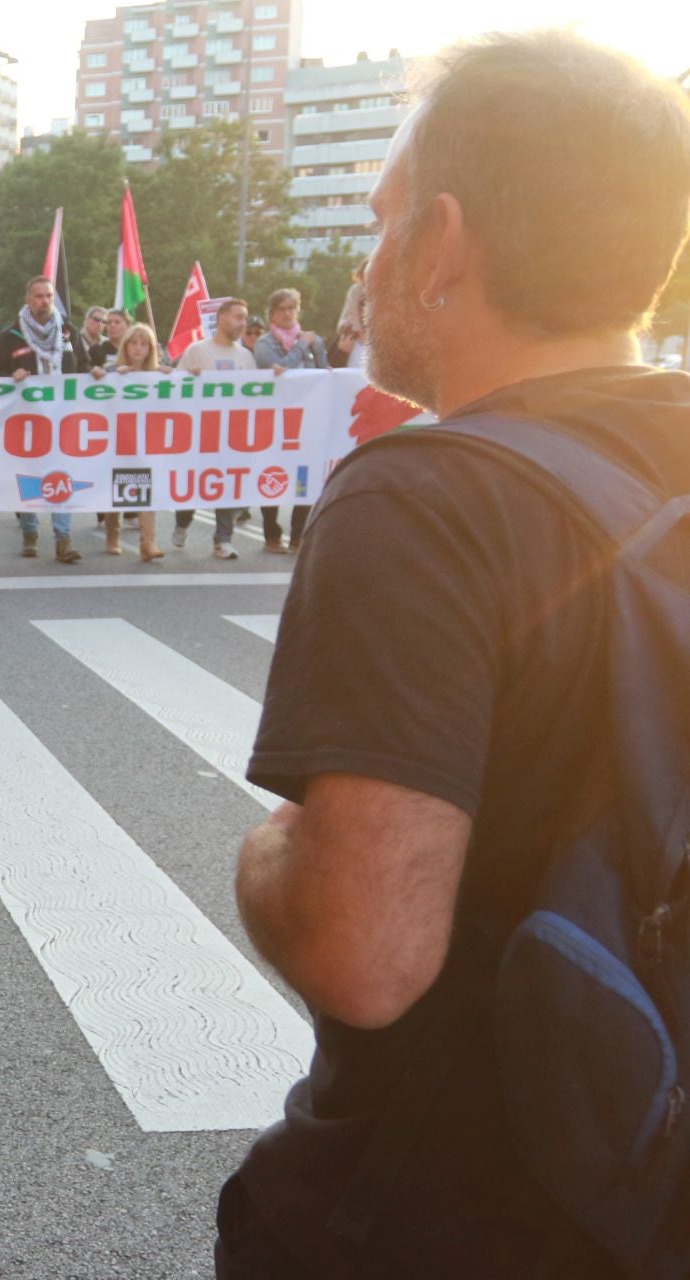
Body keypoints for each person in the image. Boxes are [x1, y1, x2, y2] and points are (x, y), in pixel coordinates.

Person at [219, 32, 690, 1277]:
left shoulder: (424, 496)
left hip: (470, 1200)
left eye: (381, 222)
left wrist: (269, 853)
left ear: (442, 244)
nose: (365, 266)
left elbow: (365, 951)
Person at [0, 277, 90, 559]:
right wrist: (11, 376)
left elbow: (83, 367)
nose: (44, 301)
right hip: (27, 420)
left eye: (48, 296)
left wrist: (93, 374)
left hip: (63, 419)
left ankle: (63, 539)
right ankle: (30, 532)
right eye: (38, 296)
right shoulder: (12, 335)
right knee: (29, 476)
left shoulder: (68, 331)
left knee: (62, 476)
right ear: (28, 300)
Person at [172, 299, 257, 559]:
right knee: (194, 486)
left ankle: (223, 540)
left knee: (227, 485)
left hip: (232, 435)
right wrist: (190, 378)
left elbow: (257, 393)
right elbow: (175, 386)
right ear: (221, 318)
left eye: (245, 318)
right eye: (238, 317)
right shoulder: (197, 350)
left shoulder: (245, 356)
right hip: (200, 434)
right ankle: (182, 522)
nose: (243, 323)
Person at [251, 288, 327, 553]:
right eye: (282, 309)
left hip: (307, 419)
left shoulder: (313, 341)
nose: (287, 314)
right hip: (274, 420)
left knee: (304, 479)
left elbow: (322, 372)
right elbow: (281, 371)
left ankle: (298, 535)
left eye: (292, 308)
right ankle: (271, 535)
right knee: (271, 475)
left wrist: (315, 350)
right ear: (271, 314)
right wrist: (301, 346)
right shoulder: (264, 344)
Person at [91, 324, 168, 561]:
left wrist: (178, 376)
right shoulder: (113, 370)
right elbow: (96, 391)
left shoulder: (159, 374)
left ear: (151, 349)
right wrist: (105, 375)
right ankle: (112, 537)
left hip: (146, 441)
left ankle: (149, 542)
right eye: (134, 343)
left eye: (144, 344)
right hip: (117, 438)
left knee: (146, 489)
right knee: (116, 488)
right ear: (125, 346)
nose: (138, 348)